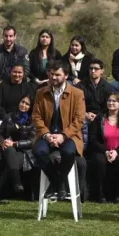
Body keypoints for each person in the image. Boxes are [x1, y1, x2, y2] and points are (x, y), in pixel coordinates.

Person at [32, 60, 86, 201]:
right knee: (39, 151)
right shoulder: (41, 93)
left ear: (66, 75)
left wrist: (63, 136)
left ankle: (55, 185)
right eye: (51, 74)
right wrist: (47, 134)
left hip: (70, 136)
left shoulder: (77, 93)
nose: (53, 77)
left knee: (68, 152)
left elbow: (79, 120)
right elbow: (36, 117)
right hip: (47, 135)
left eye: (57, 75)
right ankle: (58, 183)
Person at [0, 94, 35, 203]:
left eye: (27, 104)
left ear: (31, 107)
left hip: (23, 151)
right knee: (9, 151)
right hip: (6, 149)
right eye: (22, 102)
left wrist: (15, 143)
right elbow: (0, 134)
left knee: (10, 164)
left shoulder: (33, 120)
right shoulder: (9, 116)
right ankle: (17, 182)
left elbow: (32, 141)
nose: (23, 105)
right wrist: (2, 142)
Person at [88, 92, 119, 203]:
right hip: (102, 150)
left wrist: (116, 152)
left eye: (114, 101)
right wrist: (106, 151)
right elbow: (93, 139)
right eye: (109, 100)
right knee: (99, 161)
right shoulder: (99, 118)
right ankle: (101, 194)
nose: (111, 103)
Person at [77, 58, 115, 148]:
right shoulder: (80, 86)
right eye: (91, 68)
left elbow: (110, 106)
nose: (93, 71)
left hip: (102, 116)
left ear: (102, 71)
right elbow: (76, 104)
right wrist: (85, 114)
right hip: (84, 116)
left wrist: (98, 116)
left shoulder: (108, 87)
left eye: (96, 69)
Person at [0, 25, 29, 90]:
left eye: (10, 36)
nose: (8, 39)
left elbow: (26, 70)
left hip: (18, 82)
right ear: (3, 36)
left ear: (15, 37)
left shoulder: (22, 51)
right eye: (6, 36)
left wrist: (16, 80)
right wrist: (0, 81)